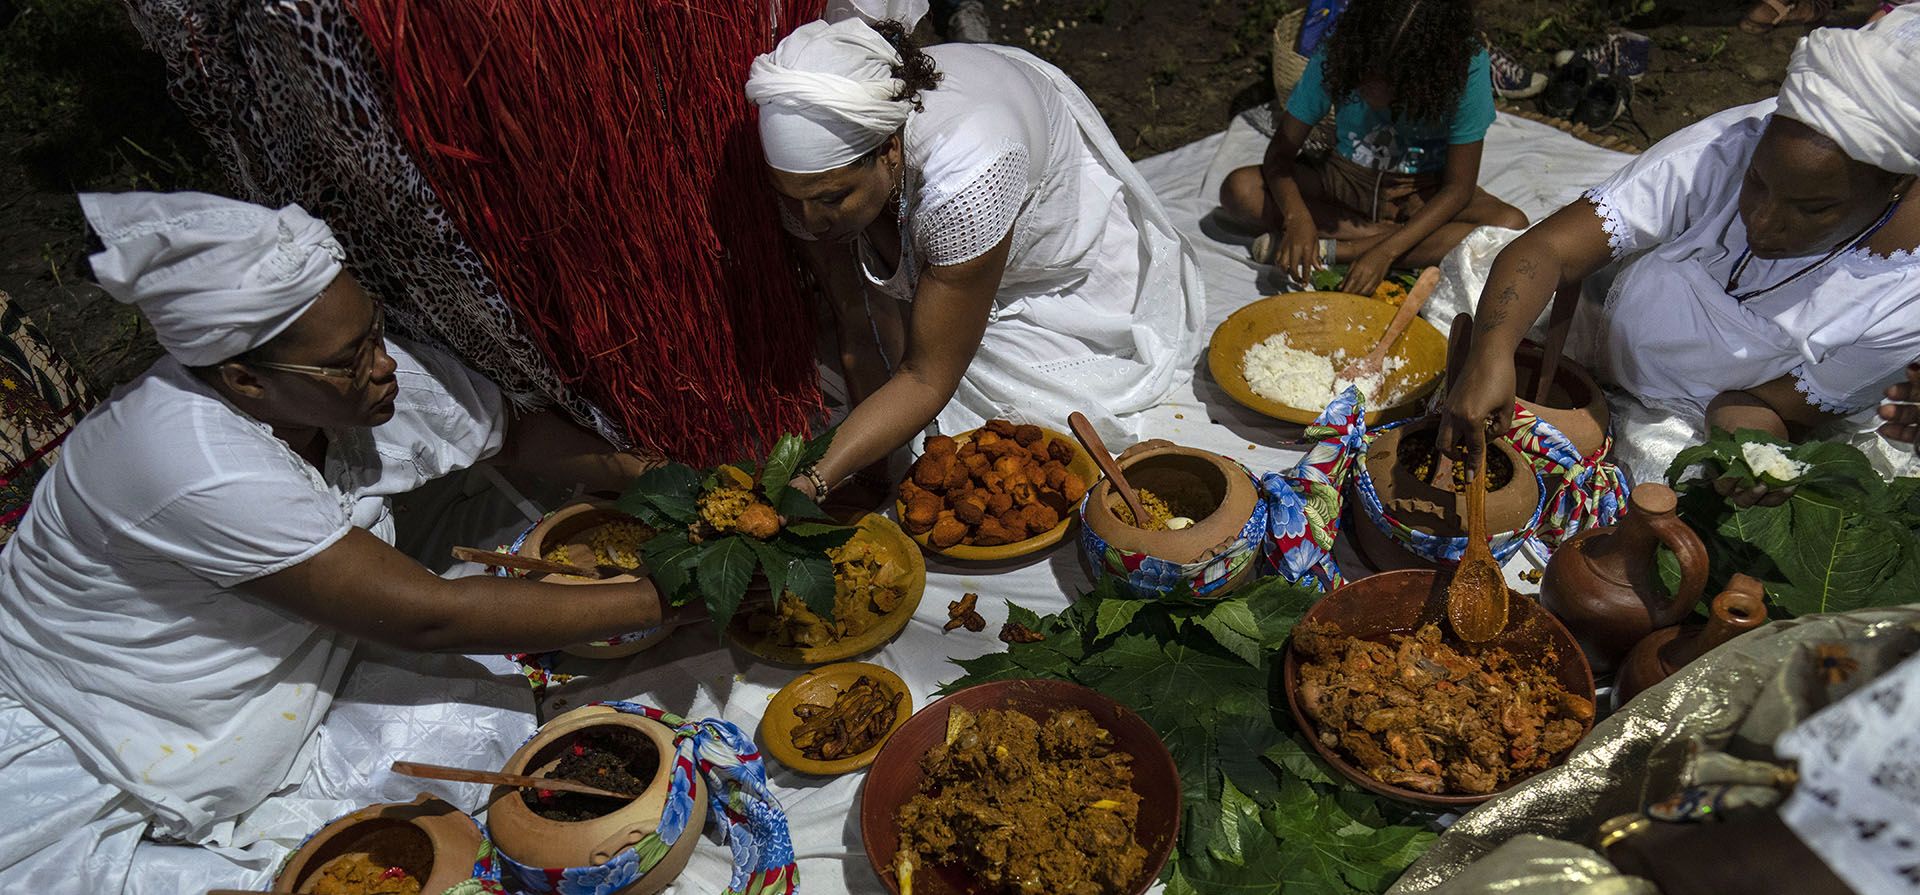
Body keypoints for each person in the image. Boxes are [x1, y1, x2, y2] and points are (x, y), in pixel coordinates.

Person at [0, 192, 703, 890]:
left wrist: (681, 489)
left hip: (291, 668)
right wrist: (659, 597)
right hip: (112, 720)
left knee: (483, 720)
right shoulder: (188, 458)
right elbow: (431, 615)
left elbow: (514, 435)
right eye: (350, 357)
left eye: (374, 331)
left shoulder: (346, 377)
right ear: (244, 380)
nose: (383, 364)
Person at [744, 4, 1204, 499]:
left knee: (1002, 417)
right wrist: (870, 467)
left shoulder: (968, 179)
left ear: (890, 151)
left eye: (833, 198)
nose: (808, 221)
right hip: (948, 172)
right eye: (793, 199)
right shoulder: (813, 182)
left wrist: (812, 482)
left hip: (1048, 259)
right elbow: (854, 317)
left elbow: (923, 376)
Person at [1439, 9, 1920, 476]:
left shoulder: (1905, 302)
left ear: (1898, 183)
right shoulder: (1730, 146)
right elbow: (1549, 249)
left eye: (1811, 209)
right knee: (1480, 289)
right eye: (1756, 181)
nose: (1762, 221)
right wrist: (1493, 352)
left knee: (1667, 495)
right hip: (1601, 323)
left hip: (1695, 415)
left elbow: (1761, 406)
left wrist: (1751, 457)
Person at [1218, 0, 1529, 296]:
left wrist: (1385, 252)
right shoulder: (1340, 47)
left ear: (1428, 75)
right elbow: (1279, 157)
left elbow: (1458, 189)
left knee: (1510, 226)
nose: (1371, 89)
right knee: (1240, 189)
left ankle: (1343, 249)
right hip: (1342, 181)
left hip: (1423, 193)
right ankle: (1394, 241)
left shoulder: (1467, 65)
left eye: (1390, 83)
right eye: (1366, 75)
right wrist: (1297, 218)